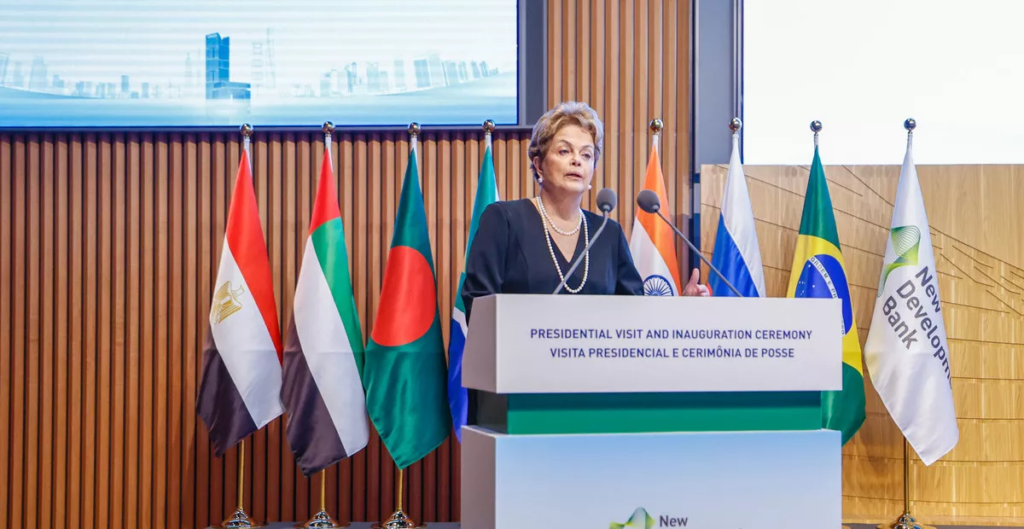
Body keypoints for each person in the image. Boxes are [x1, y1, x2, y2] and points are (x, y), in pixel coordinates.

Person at [461, 100, 708, 322]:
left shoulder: (607, 233)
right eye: (564, 151)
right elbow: (479, 304)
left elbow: (635, 317)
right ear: (539, 165)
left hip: (596, 371)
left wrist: (681, 308)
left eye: (587, 155)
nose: (577, 160)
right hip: (521, 368)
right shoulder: (505, 220)